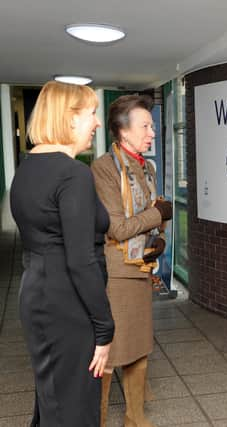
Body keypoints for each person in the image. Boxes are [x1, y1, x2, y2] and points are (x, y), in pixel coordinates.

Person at [10, 81, 114, 426]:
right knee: (75, 409)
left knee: (53, 398)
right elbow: (80, 260)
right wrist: (104, 330)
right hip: (69, 305)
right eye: (91, 114)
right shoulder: (74, 175)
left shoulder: (26, 169)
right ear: (69, 120)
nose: (97, 123)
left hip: (37, 296)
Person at [91, 95, 172, 427]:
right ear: (123, 132)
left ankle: (134, 416)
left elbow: (151, 217)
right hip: (118, 273)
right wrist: (156, 215)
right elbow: (118, 226)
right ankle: (95, 418)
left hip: (141, 270)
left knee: (139, 346)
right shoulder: (104, 168)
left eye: (152, 126)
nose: (152, 132)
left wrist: (159, 237)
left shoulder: (146, 165)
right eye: (146, 126)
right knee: (112, 351)